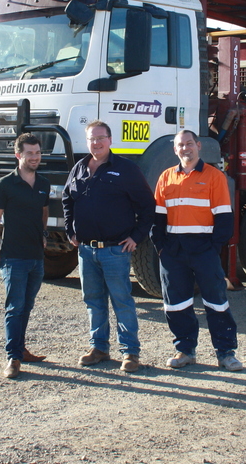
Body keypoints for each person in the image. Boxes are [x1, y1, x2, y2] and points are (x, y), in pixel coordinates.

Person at [62, 120, 155, 373]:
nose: (96, 143)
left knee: (122, 301)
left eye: (101, 138)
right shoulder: (79, 168)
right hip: (86, 251)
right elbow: (67, 199)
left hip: (116, 250)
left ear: (110, 140)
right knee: (93, 300)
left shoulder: (126, 169)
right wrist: (71, 230)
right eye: (92, 139)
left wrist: (136, 236)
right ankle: (99, 348)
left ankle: (130, 353)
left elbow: (148, 207)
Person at [152, 130, 242, 371]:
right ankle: (185, 351)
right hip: (173, 251)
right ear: (175, 149)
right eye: (180, 145)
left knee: (216, 302)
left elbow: (224, 218)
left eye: (189, 144)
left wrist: (213, 249)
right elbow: (157, 219)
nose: (185, 149)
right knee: (176, 303)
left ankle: (226, 353)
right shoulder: (166, 177)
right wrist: (162, 248)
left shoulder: (214, 176)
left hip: (204, 249)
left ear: (199, 146)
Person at [0, 133, 51, 379]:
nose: (34, 157)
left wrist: (44, 234)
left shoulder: (43, 183)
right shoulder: (5, 185)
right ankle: (12, 358)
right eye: (29, 153)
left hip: (36, 257)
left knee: (26, 306)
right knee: (14, 308)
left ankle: (21, 349)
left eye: (37, 153)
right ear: (18, 155)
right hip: (13, 257)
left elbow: (44, 211)